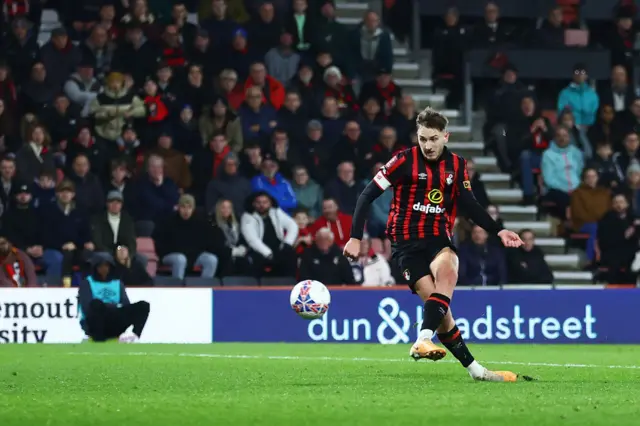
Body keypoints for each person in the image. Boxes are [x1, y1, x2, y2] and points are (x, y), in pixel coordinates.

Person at [343, 107, 526, 382]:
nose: (427, 145)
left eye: (433, 139)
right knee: (442, 314)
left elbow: (470, 205)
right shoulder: (402, 161)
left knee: (449, 268)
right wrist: (356, 236)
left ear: (446, 136)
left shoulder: (457, 166)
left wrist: (497, 230)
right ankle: (476, 371)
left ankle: (421, 340)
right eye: (423, 139)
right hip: (405, 246)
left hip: (438, 239)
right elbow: (366, 195)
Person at [78, 254, 150, 342]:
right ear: (95, 267)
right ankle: (98, 339)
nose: (104, 269)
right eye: (100, 266)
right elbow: (87, 307)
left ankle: (134, 336)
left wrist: (111, 307)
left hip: (115, 319)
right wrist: (112, 306)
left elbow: (125, 304)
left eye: (106, 266)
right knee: (96, 304)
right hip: (96, 322)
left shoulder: (117, 283)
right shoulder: (87, 282)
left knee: (143, 305)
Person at [241, 191, 298, 277]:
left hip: (278, 247)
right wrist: (268, 254)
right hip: (258, 250)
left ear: (270, 203)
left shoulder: (276, 211)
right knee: (257, 258)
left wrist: (287, 243)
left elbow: (292, 225)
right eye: (258, 202)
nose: (262, 205)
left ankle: (289, 285)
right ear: (253, 203)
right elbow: (252, 240)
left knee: (290, 254)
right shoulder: (248, 216)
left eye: (265, 202)